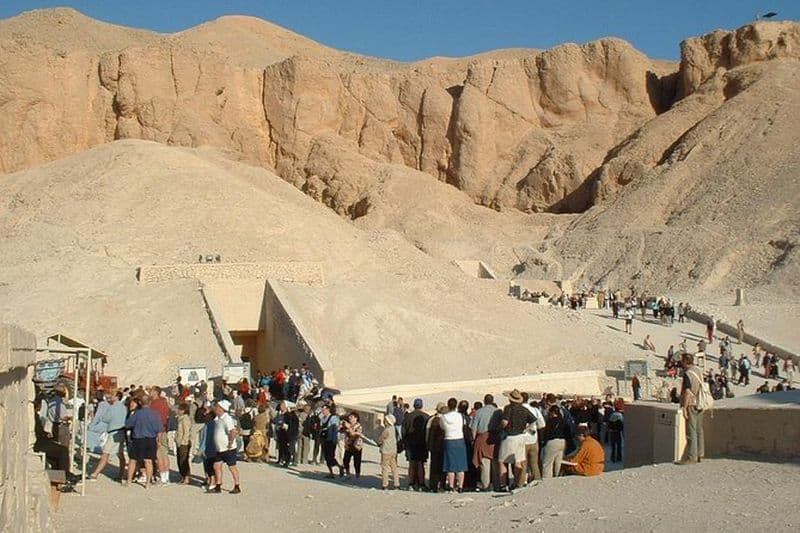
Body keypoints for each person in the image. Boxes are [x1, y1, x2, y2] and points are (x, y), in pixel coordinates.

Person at [497, 389, 536, 491]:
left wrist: (500, 427)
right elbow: (533, 420)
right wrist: (526, 429)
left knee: (503, 461)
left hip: (510, 437)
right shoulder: (524, 409)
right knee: (518, 461)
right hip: (521, 437)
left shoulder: (508, 408)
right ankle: (516, 483)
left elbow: (505, 422)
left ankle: (502, 485)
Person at [88, 390, 127, 481]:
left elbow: (106, 418)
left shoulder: (113, 407)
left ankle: (95, 474)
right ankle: (121, 474)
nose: (111, 397)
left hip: (113, 433)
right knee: (120, 454)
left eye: (113, 395)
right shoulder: (124, 407)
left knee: (105, 453)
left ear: (117, 397)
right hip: (121, 432)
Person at [125, 395, 162, 488]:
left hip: (138, 439)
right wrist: (159, 441)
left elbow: (128, 424)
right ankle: (148, 483)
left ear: (141, 403)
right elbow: (160, 430)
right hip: (151, 439)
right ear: (150, 403)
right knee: (148, 461)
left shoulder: (137, 414)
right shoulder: (155, 414)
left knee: (133, 460)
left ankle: (129, 481)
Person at [677, 353, 704, 465]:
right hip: (701, 402)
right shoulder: (698, 370)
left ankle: (692, 457)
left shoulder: (688, 374)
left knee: (691, 430)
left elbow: (688, 392)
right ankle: (700, 453)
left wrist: (684, 407)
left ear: (685, 361)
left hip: (692, 404)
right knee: (699, 429)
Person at [470, 394, 500, 491]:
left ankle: (485, 486)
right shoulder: (498, 411)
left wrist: (473, 439)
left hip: (482, 438)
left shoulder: (478, 412)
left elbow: (473, 428)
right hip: (495, 438)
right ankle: (497, 485)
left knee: (484, 463)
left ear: (484, 401)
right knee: (495, 463)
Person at [212, 400, 241, 493]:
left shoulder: (227, 418)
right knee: (216, 465)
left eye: (217, 407)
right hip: (219, 448)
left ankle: (237, 485)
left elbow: (232, 431)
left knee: (232, 466)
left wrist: (230, 442)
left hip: (228, 448)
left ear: (221, 409)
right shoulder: (217, 418)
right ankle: (218, 485)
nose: (215, 408)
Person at [439, 398, 468, 492]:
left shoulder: (443, 417)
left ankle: (451, 486)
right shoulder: (460, 416)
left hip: (449, 440)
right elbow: (463, 426)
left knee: (450, 466)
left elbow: (442, 427)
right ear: (456, 406)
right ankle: (460, 487)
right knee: (461, 466)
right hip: (459, 440)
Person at [401, 398, 430, 491]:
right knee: (421, 464)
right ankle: (421, 483)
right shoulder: (426, 417)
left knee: (412, 464)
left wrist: (404, 442)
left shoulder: (408, 417)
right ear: (421, 406)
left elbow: (403, 431)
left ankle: (411, 483)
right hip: (422, 443)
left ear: (414, 405)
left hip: (410, 443)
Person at [148, 386, 171, 485]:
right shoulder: (164, 402)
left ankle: (162, 478)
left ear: (156, 392)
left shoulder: (155, 404)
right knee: (164, 454)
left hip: (157, 431)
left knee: (159, 455)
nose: (150, 392)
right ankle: (166, 477)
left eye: (151, 391)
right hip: (163, 429)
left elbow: (156, 418)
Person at [541, 404, 571, 478]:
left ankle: (547, 480)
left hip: (552, 442)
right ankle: (557, 477)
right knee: (558, 462)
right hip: (562, 442)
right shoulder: (564, 421)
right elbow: (568, 433)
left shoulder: (550, 421)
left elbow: (546, 434)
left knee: (548, 463)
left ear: (552, 413)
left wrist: (543, 443)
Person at [377, 413, 400, 490]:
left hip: (386, 451)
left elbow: (381, 439)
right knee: (394, 467)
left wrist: (379, 442)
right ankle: (396, 484)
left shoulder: (386, 430)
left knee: (385, 468)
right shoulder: (394, 429)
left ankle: (385, 484)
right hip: (393, 451)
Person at [319, 404, 341, 478]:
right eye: (322, 410)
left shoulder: (333, 418)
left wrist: (334, 440)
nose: (323, 411)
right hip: (324, 439)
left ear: (328, 409)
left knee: (331, 456)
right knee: (326, 457)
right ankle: (331, 473)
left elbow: (335, 429)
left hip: (331, 440)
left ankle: (340, 467)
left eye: (324, 410)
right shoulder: (322, 418)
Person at [341, 412, 364, 478]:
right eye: (349, 417)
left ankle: (357, 474)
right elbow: (340, 430)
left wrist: (349, 428)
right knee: (345, 460)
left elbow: (353, 434)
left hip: (356, 446)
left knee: (357, 462)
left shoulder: (359, 426)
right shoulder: (347, 425)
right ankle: (348, 473)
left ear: (356, 418)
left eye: (352, 417)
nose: (350, 418)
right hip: (348, 445)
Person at [174, 403, 192, 484]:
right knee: (179, 460)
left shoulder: (185, 419)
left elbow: (186, 431)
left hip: (183, 443)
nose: (177, 411)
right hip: (179, 442)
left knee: (183, 460)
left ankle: (186, 477)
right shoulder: (180, 418)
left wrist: (183, 441)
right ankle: (183, 476)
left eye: (179, 409)